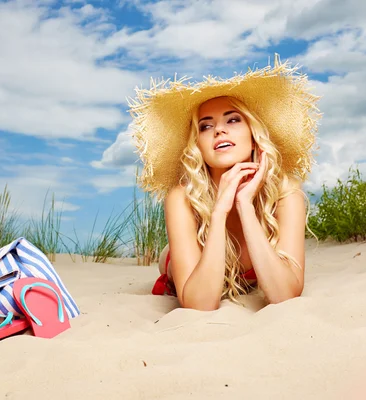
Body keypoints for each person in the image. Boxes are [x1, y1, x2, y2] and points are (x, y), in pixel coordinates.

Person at [128, 55, 321, 311]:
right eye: (206, 126)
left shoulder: (286, 193)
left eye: (233, 120)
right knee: (173, 261)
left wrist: (244, 205)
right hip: (187, 259)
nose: (219, 131)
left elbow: (285, 295)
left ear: (254, 137)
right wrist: (219, 213)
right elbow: (199, 305)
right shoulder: (182, 197)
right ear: (198, 146)